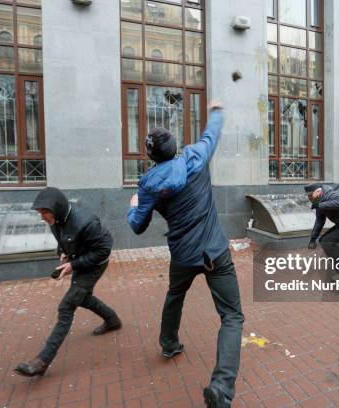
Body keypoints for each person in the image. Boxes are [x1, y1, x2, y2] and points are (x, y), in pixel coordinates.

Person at [127, 101, 243, 408]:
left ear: (150, 155)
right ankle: (221, 387)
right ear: (175, 146)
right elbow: (212, 133)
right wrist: (217, 110)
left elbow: (137, 225)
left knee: (175, 294)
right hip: (215, 252)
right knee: (231, 317)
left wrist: (133, 205)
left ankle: (169, 344)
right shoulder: (196, 156)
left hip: (183, 256)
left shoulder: (149, 184)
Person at [14, 187, 121, 377]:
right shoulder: (56, 218)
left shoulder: (85, 222)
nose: (42, 218)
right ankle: (112, 320)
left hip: (95, 265)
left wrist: (73, 264)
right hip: (79, 261)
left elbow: (104, 249)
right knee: (82, 298)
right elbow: (63, 237)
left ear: (57, 208)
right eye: (41, 213)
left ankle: (41, 361)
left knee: (66, 307)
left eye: (45, 213)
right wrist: (63, 251)